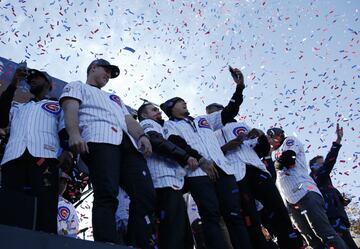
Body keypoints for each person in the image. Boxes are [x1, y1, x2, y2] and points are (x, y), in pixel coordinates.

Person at [59, 59, 156, 248]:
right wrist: (74, 134)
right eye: (106, 70)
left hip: (126, 144)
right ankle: (106, 242)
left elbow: (129, 121)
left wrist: (142, 136)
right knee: (107, 193)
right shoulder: (77, 86)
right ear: (93, 67)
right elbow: (70, 109)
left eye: (111, 74)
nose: (108, 75)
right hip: (98, 139)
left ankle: (138, 242)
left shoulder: (115, 97)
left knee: (146, 194)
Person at [160, 67, 253, 249]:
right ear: (171, 108)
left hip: (223, 170)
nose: (184, 103)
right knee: (210, 216)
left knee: (235, 215)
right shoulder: (169, 126)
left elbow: (229, 112)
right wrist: (201, 159)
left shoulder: (203, 120)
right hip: (199, 174)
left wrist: (239, 87)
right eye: (180, 102)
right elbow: (176, 143)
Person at [207, 103, 304, 249]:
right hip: (234, 178)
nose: (215, 116)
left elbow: (261, 151)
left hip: (255, 170)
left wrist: (261, 137)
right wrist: (225, 148)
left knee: (278, 211)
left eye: (217, 112)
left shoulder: (241, 125)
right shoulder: (208, 135)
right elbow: (209, 160)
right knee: (250, 220)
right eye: (210, 115)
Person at [0, 64, 71, 233]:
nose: (32, 80)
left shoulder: (57, 105)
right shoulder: (17, 107)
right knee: (10, 208)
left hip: (45, 160)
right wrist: (14, 83)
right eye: (30, 78)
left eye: (37, 77)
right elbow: (1, 120)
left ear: (49, 84)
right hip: (13, 159)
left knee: (45, 208)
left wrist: (68, 151)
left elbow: (65, 127)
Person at [267, 127, 348, 249]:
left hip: (305, 192)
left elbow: (289, 158)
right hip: (289, 199)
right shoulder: (272, 154)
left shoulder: (289, 141)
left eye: (271, 138)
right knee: (311, 239)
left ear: (277, 136)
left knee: (324, 233)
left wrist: (276, 164)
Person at [137, 102, 198, 249]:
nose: (158, 112)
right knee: (173, 232)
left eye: (158, 110)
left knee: (183, 233)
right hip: (162, 182)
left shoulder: (163, 127)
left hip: (172, 181)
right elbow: (156, 141)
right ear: (144, 115)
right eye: (153, 110)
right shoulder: (147, 123)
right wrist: (185, 157)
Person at [310, 124, 358, 249]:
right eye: (321, 164)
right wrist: (337, 142)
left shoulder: (325, 183)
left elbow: (331, 194)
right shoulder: (317, 178)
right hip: (333, 221)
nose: (324, 165)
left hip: (339, 220)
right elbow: (329, 163)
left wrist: (341, 200)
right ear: (314, 167)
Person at [58, 171, 79, 238]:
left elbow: (73, 231)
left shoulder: (68, 205)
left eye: (65, 183)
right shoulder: (40, 199)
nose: (63, 185)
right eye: (60, 181)